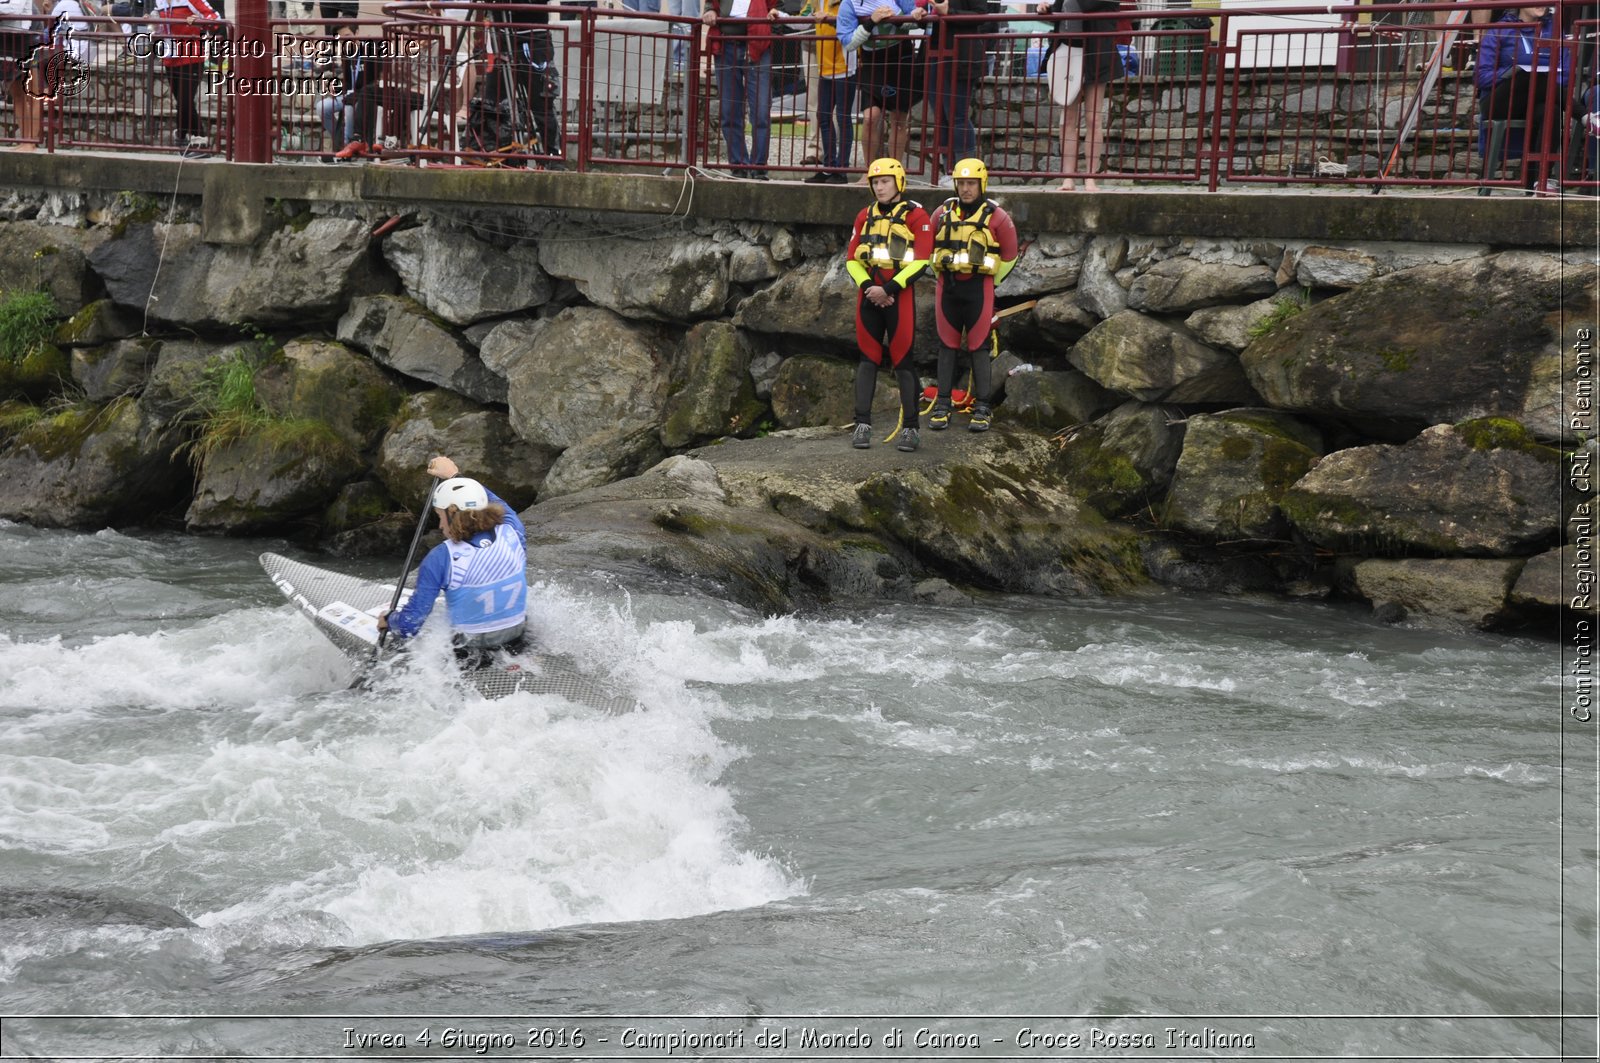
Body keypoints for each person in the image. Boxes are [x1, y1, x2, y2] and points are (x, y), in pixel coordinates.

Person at [378, 455, 531, 669]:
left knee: (410, 636)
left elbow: (410, 625)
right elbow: (497, 502)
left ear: (452, 514)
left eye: (440, 517)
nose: (440, 526)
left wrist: (390, 619)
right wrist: (454, 475)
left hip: (470, 652)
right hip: (517, 639)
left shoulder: (441, 558)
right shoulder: (513, 531)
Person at [844, 157, 932, 452]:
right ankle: (862, 423)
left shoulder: (916, 216)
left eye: (885, 182)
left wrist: (890, 288)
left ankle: (910, 428)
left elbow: (922, 261)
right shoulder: (863, 216)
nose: (879, 187)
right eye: (875, 182)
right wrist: (870, 288)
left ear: (899, 183)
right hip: (869, 295)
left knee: (903, 360)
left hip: (899, 297)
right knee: (867, 359)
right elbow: (852, 259)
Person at [926, 157, 1018, 432]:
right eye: (961, 183)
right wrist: (940, 274)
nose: (966, 189)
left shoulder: (997, 216)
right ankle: (943, 404)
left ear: (981, 184)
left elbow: (1010, 256)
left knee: (979, 347)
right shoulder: (941, 213)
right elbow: (927, 249)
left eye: (971, 184)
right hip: (948, 288)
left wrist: (992, 281)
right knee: (946, 345)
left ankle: (982, 407)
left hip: (979, 288)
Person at [1475, 4, 1570, 191]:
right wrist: (1512, 73)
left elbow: (1565, 74)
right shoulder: (1500, 29)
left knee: (1551, 110)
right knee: (1526, 75)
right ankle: (1582, 114)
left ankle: (1537, 181)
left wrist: (1536, 78)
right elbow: (1481, 76)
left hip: (1538, 99)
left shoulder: (1555, 29)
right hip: (1501, 101)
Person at [1036, 0, 1120, 190]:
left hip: (1097, 51)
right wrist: (1045, 8)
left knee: (1093, 118)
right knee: (1068, 119)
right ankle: (1068, 177)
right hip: (1068, 50)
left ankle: (1090, 176)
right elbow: (1061, 7)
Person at [837, 0, 925, 174]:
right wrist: (872, 21)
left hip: (902, 57)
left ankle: (894, 172)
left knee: (899, 121)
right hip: (872, 62)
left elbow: (914, 20)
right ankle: (870, 172)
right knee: (870, 118)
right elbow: (848, 43)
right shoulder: (849, 3)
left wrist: (913, 16)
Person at [701, 0, 779, 178]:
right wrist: (710, 11)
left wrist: (773, 17)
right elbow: (711, 4)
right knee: (729, 111)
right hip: (726, 43)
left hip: (758, 43)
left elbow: (778, 6)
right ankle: (738, 165)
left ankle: (758, 166)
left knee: (760, 111)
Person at [926, 0, 990, 181]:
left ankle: (966, 172)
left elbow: (981, 15)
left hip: (961, 56)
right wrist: (920, 14)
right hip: (934, 53)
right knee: (940, 116)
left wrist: (950, 12)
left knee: (957, 115)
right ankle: (949, 169)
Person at [151, 0, 219, 154]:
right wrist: (154, 24)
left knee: (185, 101)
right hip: (170, 57)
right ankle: (182, 136)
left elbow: (215, 18)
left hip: (192, 56)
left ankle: (200, 141)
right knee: (182, 102)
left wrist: (199, 21)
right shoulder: (159, 2)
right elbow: (161, 28)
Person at [802, 0, 852, 182]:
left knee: (843, 117)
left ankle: (842, 169)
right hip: (825, 66)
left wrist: (831, 19)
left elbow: (853, 19)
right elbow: (802, 18)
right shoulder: (815, 1)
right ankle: (829, 167)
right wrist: (779, 16)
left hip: (845, 64)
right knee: (823, 115)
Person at [0, 0, 42, 149]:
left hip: (28, 36)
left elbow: (15, 8)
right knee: (17, 94)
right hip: (9, 39)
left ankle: (31, 142)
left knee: (32, 94)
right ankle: (25, 140)